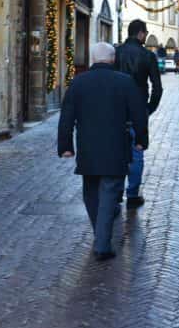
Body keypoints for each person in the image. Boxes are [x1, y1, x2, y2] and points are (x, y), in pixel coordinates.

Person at [58, 42, 148, 261]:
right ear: (112, 58)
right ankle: (102, 243)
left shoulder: (78, 82)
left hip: (88, 147)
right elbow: (139, 114)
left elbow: (66, 116)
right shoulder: (125, 82)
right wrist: (141, 141)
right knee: (109, 192)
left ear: (92, 58)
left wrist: (66, 146)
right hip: (116, 146)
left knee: (90, 191)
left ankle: (100, 235)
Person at [115, 19, 163, 207]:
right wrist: (149, 108)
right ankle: (133, 194)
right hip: (138, 110)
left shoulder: (116, 52)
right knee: (137, 151)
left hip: (116, 110)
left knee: (116, 151)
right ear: (141, 33)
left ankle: (117, 192)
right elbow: (157, 88)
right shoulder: (147, 55)